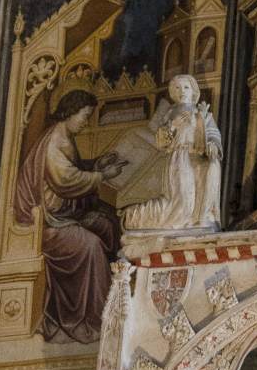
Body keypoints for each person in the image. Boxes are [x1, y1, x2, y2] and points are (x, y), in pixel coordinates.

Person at [13, 88, 122, 345]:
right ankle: (95, 318)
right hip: (48, 224)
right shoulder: (53, 141)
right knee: (91, 246)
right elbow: (66, 180)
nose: (85, 122)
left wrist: (96, 164)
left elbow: (73, 169)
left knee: (107, 222)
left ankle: (118, 296)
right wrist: (103, 176)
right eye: (84, 116)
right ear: (70, 112)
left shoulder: (65, 135)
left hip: (65, 214)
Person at [121, 75, 222, 233]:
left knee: (213, 167)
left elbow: (213, 133)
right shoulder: (170, 114)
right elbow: (161, 142)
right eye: (177, 88)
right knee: (182, 198)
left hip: (199, 155)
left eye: (186, 87)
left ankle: (203, 215)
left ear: (193, 91)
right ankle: (182, 219)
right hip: (179, 157)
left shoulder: (203, 113)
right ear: (173, 93)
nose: (182, 91)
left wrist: (213, 145)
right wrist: (173, 125)